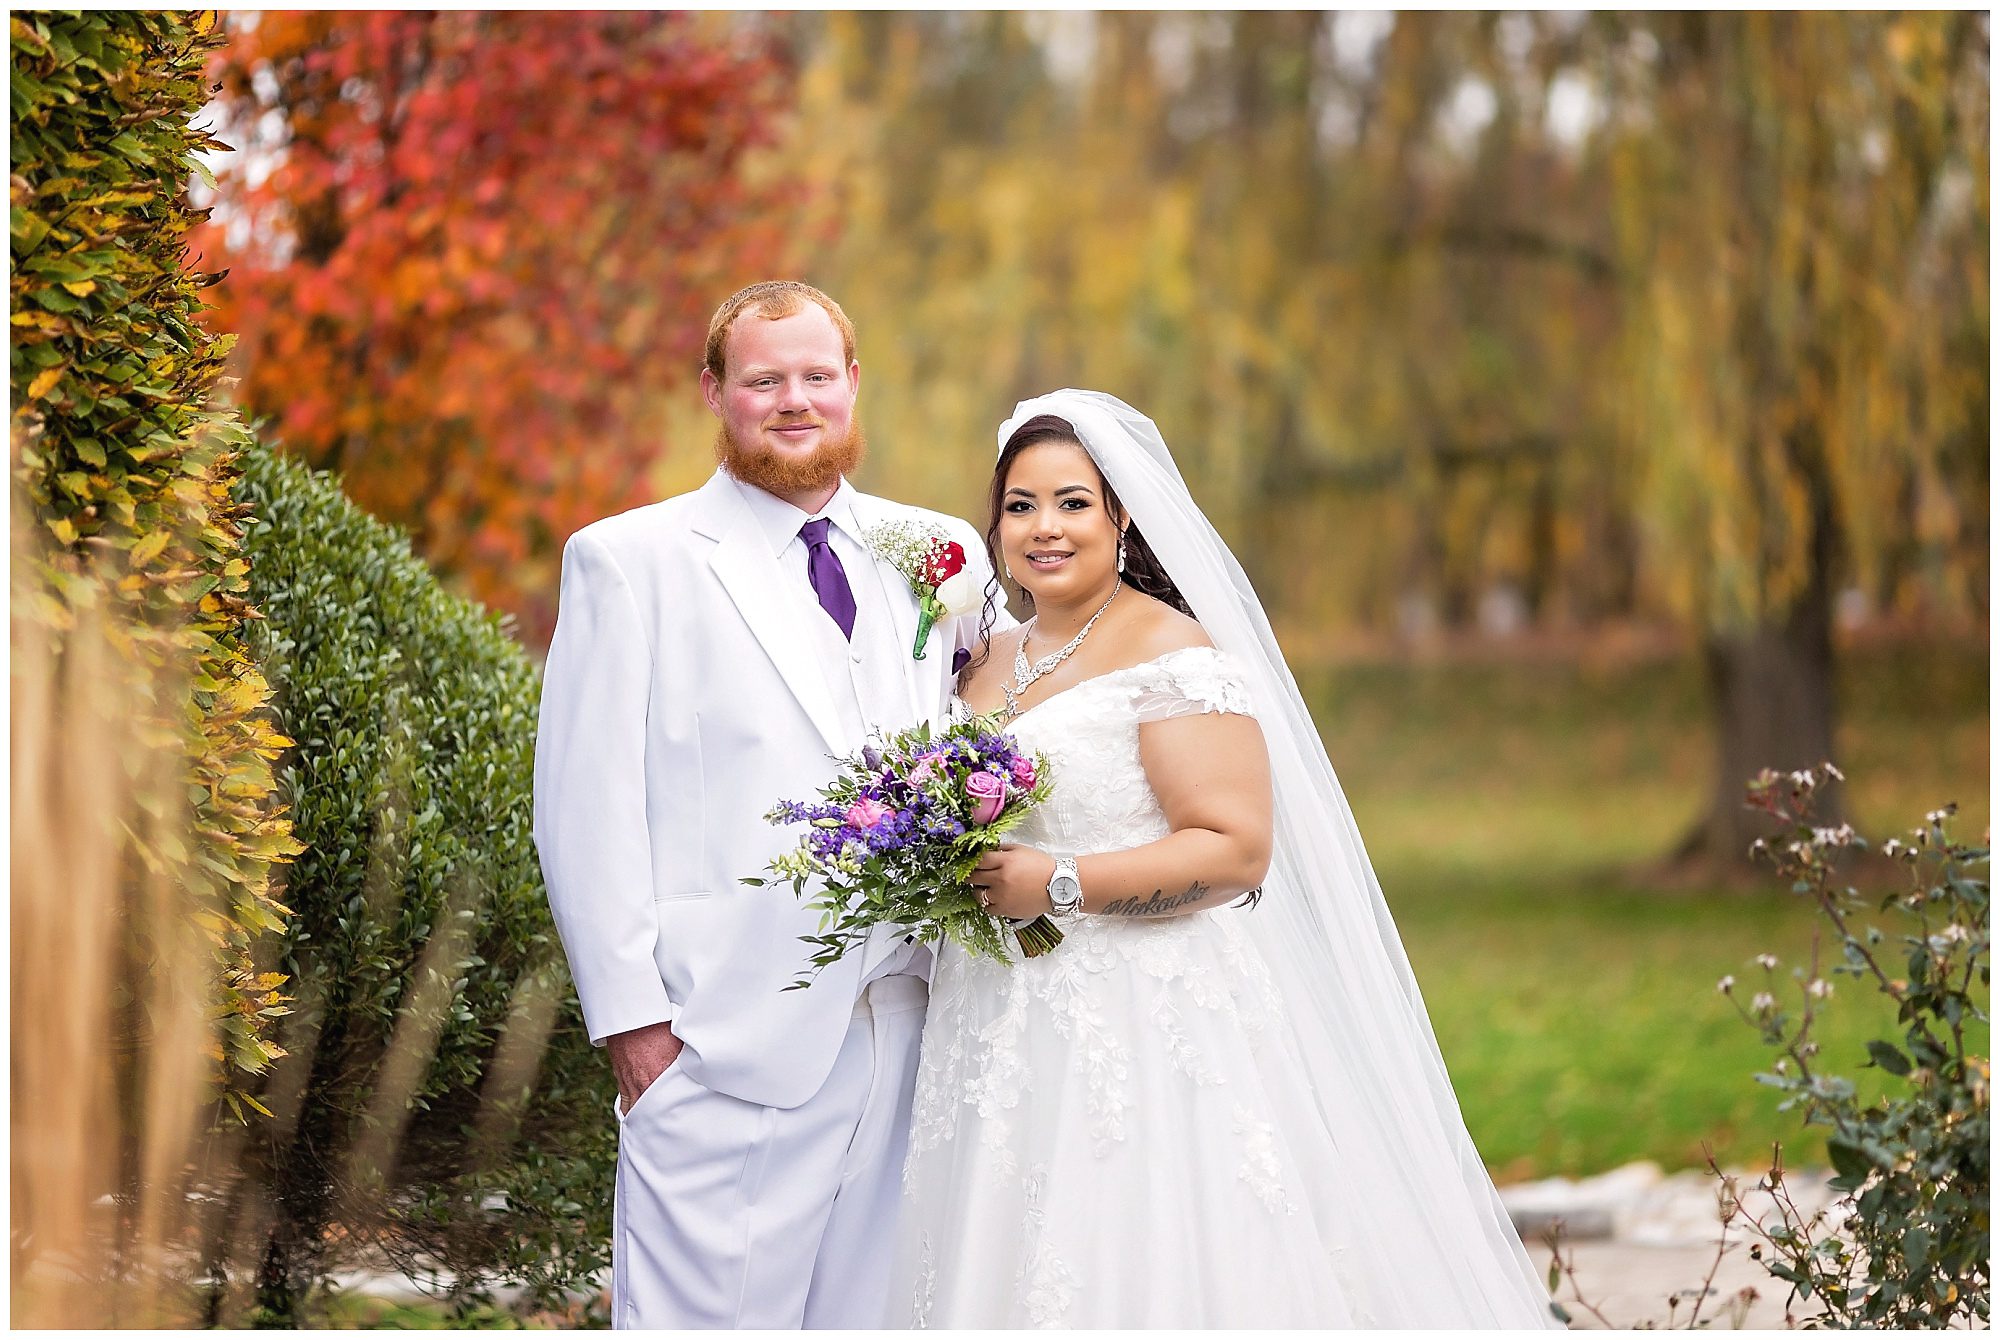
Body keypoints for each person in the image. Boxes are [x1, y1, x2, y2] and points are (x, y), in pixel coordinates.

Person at [890, 390, 1562, 1328]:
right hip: (991, 1021)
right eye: (1021, 505)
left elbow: (1235, 850)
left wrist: (1059, 883)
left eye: (1074, 503)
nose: (1045, 527)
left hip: (1134, 1018)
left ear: (1122, 517)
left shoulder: (1172, 651)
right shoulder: (982, 660)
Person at [533, 281, 997, 1329]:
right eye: (763, 380)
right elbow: (583, 811)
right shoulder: (630, 562)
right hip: (720, 1039)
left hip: (917, 1024)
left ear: (853, 383)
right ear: (714, 391)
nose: (795, 400)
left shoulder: (941, 555)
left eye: (816, 375)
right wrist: (636, 1030)